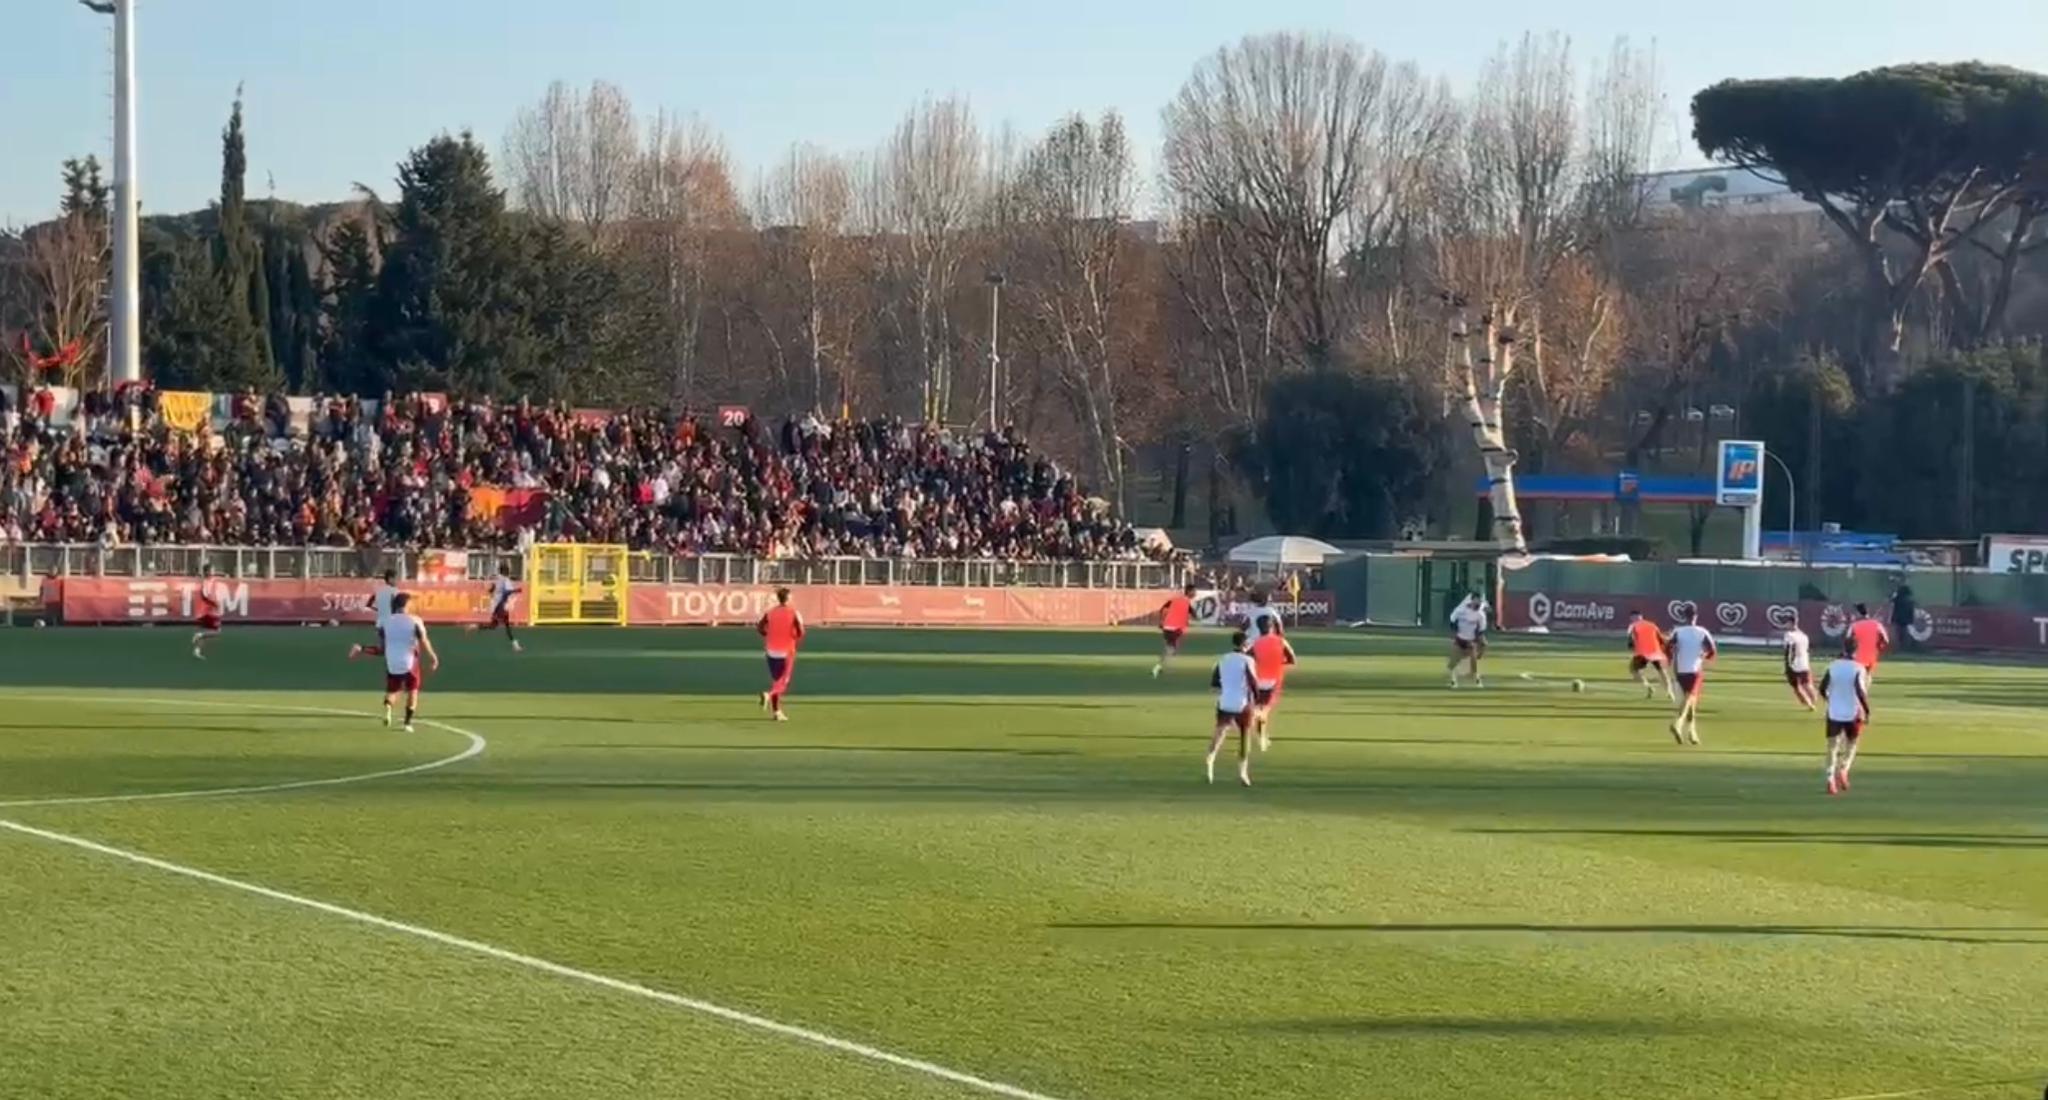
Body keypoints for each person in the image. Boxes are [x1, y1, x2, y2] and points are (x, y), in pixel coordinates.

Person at [349, 591, 439, 733]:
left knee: (393, 691)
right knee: (413, 691)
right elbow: (423, 640)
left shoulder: (386, 622)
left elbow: (381, 649)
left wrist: (362, 649)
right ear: (407, 604)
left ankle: (388, 707)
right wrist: (433, 657)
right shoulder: (415, 620)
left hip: (392, 662)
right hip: (409, 661)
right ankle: (407, 723)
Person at [1818, 639, 1873, 795]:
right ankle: (1844, 769)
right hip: (1852, 712)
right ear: (1856, 651)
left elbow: (1822, 688)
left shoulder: (1833, 666)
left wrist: (1830, 700)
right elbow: (1860, 691)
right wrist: (1867, 710)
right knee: (1852, 744)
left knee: (1832, 747)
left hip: (1834, 712)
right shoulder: (1858, 668)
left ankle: (1830, 779)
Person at [1205, 630, 1259, 787]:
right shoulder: (1248, 660)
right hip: (1242, 703)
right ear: (1244, 645)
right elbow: (1253, 683)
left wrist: (1229, 685)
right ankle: (1243, 773)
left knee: (1219, 732)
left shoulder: (1223, 659)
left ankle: (1210, 760)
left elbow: (1215, 683)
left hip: (1225, 701)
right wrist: (1256, 701)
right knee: (1244, 737)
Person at [1667, 606, 1717, 745]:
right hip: (1694, 670)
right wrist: (1704, 654)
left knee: (1691, 702)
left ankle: (1691, 733)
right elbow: (1712, 651)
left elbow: (1668, 648)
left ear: (1684, 617)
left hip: (1680, 670)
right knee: (1689, 699)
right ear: (1696, 616)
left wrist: (1672, 657)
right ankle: (1678, 723)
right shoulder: (1702, 632)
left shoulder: (1678, 631)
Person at [757, 587, 804, 721]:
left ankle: (777, 712)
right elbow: (801, 631)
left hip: (771, 651)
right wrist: (793, 639)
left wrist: (769, 635)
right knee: (783, 682)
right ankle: (768, 695)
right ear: (788, 599)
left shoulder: (770, 612)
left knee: (776, 681)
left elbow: (760, 628)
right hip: (786, 651)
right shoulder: (794, 613)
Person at [1248, 628, 1297, 753]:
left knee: (1260, 708)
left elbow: (1247, 658)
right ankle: (1261, 736)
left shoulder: (1256, 642)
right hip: (1273, 680)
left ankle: (1262, 738)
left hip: (1257, 680)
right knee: (1264, 710)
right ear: (1272, 628)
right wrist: (1279, 663)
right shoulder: (1281, 641)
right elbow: (1292, 660)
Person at [465, 563, 522, 652]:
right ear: (506, 572)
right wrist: (517, 590)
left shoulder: (497, 579)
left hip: (497, 606)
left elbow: (492, 590)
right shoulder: (505, 580)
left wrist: (491, 591)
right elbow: (506, 593)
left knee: (494, 626)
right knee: (505, 625)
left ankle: (474, 626)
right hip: (501, 606)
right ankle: (515, 645)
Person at [1152, 581, 1197, 678]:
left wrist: (1161, 621)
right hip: (1175, 629)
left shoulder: (1175, 599)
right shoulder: (1186, 602)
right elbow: (1194, 615)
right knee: (1171, 649)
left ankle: (1161, 666)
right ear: (1189, 592)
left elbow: (1163, 609)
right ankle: (1158, 667)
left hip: (1167, 628)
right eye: (1194, 592)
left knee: (1170, 648)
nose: (1195, 594)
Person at [1627, 610, 1673, 701]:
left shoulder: (1632, 627)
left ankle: (1648, 686)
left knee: (1633, 669)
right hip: (1655, 652)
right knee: (1662, 672)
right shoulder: (1652, 625)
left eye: (1633, 618)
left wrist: (1634, 647)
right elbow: (1660, 639)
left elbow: (1630, 643)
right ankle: (1670, 692)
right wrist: (1668, 639)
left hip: (1642, 653)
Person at [1448, 593, 1488, 689]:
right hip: (1460, 639)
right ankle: (1453, 680)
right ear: (1472, 600)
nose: (1477, 602)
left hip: (1471, 642)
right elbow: (1452, 621)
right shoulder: (1461, 610)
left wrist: (1479, 641)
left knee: (1474, 662)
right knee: (1453, 662)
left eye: (1479, 600)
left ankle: (1477, 680)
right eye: (1476, 600)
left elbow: (1481, 630)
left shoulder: (1480, 615)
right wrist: (1455, 630)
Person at [1781, 616, 1816, 710]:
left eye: (1787, 623)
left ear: (1791, 623)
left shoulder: (1789, 635)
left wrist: (1787, 665)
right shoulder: (1804, 635)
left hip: (1794, 663)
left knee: (1797, 686)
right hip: (1804, 661)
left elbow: (1789, 651)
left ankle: (1809, 704)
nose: (1786, 625)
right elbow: (1807, 649)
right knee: (1807, 684)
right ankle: (1814, 700)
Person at [191, 565, 225, 660]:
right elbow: (205, 595)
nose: (214, 571)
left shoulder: (212, 580)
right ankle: (199, 635)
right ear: (207, 572)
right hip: (210, 611)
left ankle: (197, 651)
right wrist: (214, 603)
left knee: (205, 630)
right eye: (212, 570)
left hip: (209, 610)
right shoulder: (206, 582)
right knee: (217, 632)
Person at [1850, 603, 1892, 676]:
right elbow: (1885, 640)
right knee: (1866, 678)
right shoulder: (1877, 625)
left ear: (1858, 613)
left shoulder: (1854, 626)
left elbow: (1848, 641)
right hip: (1872, 657)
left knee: (1858, 678)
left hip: (1857, 658)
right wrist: (1879, 647)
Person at [371, 568, 399, 638]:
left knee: (381, 647)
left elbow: (373, 606)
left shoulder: (379, 591)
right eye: (395, 579)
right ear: (390, 579)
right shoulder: (395, 591)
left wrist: (382, 611)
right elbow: (396, 608)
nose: (397, 581)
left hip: (379, 624)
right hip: (391, 624)